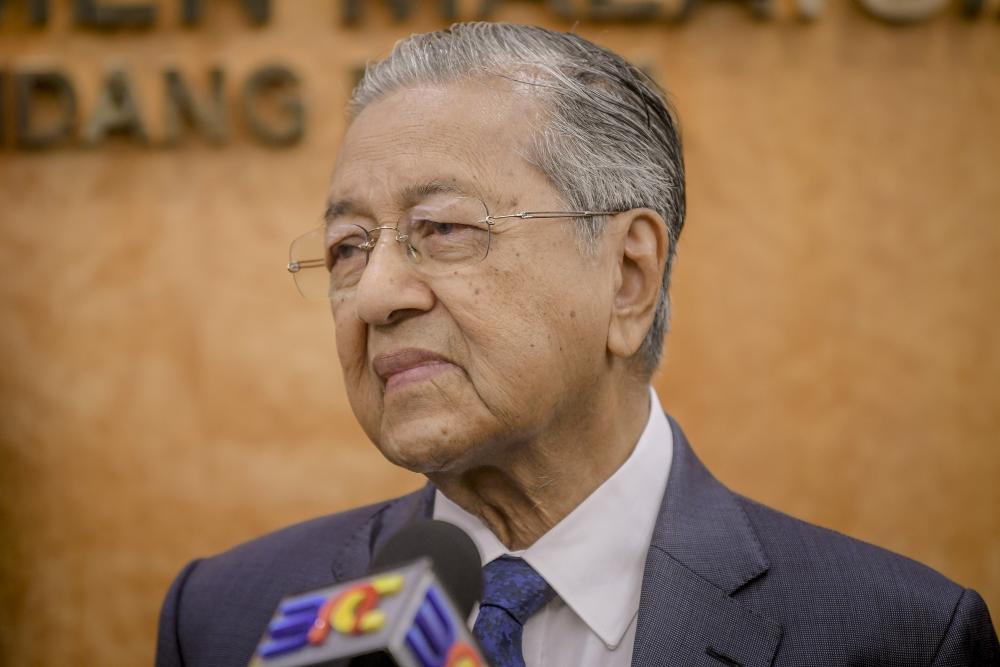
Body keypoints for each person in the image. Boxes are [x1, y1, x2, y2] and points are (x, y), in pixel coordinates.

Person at [156, 23, 998, 667]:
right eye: (347, 247)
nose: (375, 294)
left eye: (442, 228)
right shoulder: (230, 617)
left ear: (628, 276)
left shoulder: (895, 636)